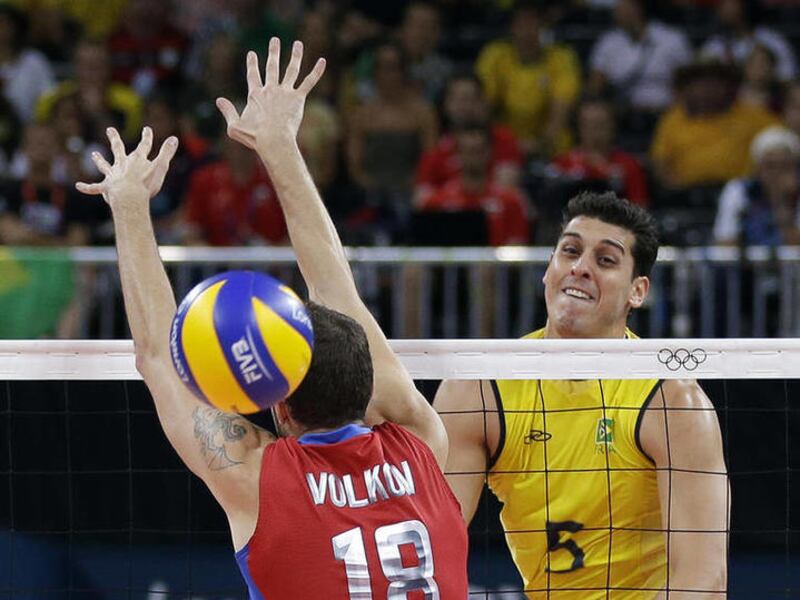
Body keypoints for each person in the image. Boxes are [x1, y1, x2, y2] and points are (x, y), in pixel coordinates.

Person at [77, 38, 468, 599]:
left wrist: (129, 205)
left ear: (279, 406)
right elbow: (339, 290)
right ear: (368, 384)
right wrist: (282, 143)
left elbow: (160, 355)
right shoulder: (421, 439)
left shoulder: (258, 480)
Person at [435, 192, 729, 598]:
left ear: (637, 291)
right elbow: (432, 548)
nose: (580, 268)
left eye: (605, 260)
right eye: (570, 251)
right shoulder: (478, 389)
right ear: (548, 269)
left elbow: (704, 582)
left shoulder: (672, 401)